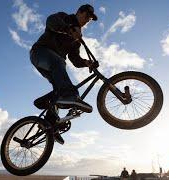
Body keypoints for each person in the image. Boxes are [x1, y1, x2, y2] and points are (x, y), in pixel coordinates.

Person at [30, 4, 98, 145]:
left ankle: (50, 125)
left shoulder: (77, 39)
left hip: (53, 65)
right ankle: (64, 98)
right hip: (41, 52)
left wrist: (87, 63)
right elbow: (51, 21)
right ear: (79, 12)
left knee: (61, 91)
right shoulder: (64, 18)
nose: (87, 20)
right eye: (86, 16)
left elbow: (75, 59)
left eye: (90, 19)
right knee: (62, 70)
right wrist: (68, 29)